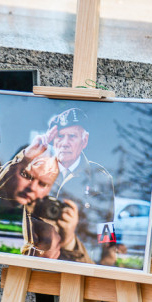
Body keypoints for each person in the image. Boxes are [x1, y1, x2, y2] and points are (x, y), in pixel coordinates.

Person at [0, 139, 89, 263]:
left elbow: (91, 273)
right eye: (26, 175)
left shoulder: (51, 223)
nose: (32, 188)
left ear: (49, 189)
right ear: (11, 170)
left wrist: (68, 241)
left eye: (42, 184)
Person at [46, 108, 116, 254]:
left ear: (84, 140)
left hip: (81, 256)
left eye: (72, 136)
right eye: (60, 136)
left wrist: (108, 253)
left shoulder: (100, 178)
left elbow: (106, 222)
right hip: (43, 255)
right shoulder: (40, 172)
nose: (65, 143)